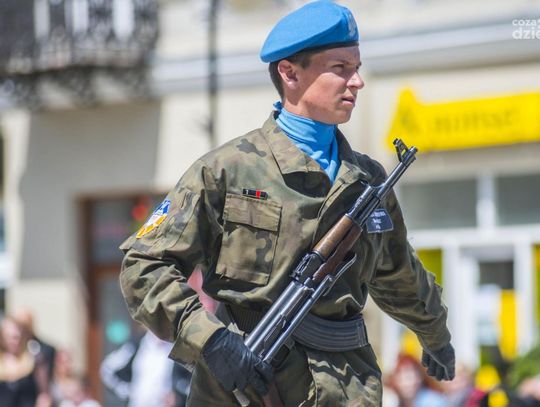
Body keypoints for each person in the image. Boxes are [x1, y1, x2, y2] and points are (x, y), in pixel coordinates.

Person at [119, 1, 455, 405]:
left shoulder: (366, 179)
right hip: (247, 385)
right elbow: (144, 266)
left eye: (357, 67)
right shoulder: (228, 170)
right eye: (340, 68)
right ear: (290, 73)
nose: (357, 81)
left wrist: (436, 335)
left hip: (347, 386)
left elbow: (399, 272)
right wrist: (209, 340)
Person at [0, 315, 51, 407]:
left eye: (17, 337)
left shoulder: (35, 359)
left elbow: (44, 395)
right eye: (11, 337)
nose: (15, 341)